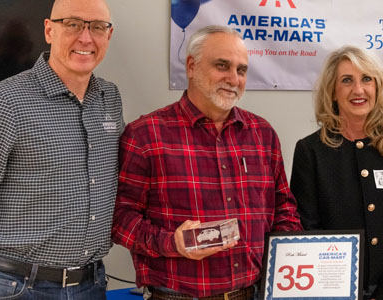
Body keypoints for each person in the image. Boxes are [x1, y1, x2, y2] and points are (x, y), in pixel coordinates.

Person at [0, 0, 120, 298]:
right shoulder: (3, 103)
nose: (86, 38)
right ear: (49, 31)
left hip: (91, 285)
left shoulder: (108, 98)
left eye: (97, 27)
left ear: (108, 35)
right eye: (73, 24)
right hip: (19, 288)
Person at [111, 25, 302, 300]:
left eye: (241, 70)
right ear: (191, 66)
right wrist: (172, 243)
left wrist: (283, 257)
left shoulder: (263, 134)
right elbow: (120, 219)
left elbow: (284, 208)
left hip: (252, 294)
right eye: (222, 65)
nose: (233, 79)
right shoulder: (145, 135)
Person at [290, 46, 383, 300]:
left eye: (367, 79)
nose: (358, 90)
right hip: (332, 292)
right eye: (347, 80)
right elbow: (306, 230)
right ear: (332, 91)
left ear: (377, 87)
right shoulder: (310, 151)